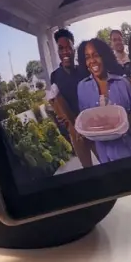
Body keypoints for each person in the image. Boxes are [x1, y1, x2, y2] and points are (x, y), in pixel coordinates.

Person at [75, 37, 131, 164]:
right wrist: (83, 132)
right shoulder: (82, 88)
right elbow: (86, 121)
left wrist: (122, 119)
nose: (92, 60)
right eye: (87, 57)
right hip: (106, 159)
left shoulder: (123, 83)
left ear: (104, 57)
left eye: (96, 55)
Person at [48, 28, 94, 168]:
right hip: (75, 131)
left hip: (92, 124)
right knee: (88, 168)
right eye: (61, 48)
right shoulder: (55, 76)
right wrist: (60, 117)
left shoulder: (84, 70)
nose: (65, 52)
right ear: (58, 51)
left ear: (73, 47)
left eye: (68, 47)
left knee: (105, 161)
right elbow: (57, 102)